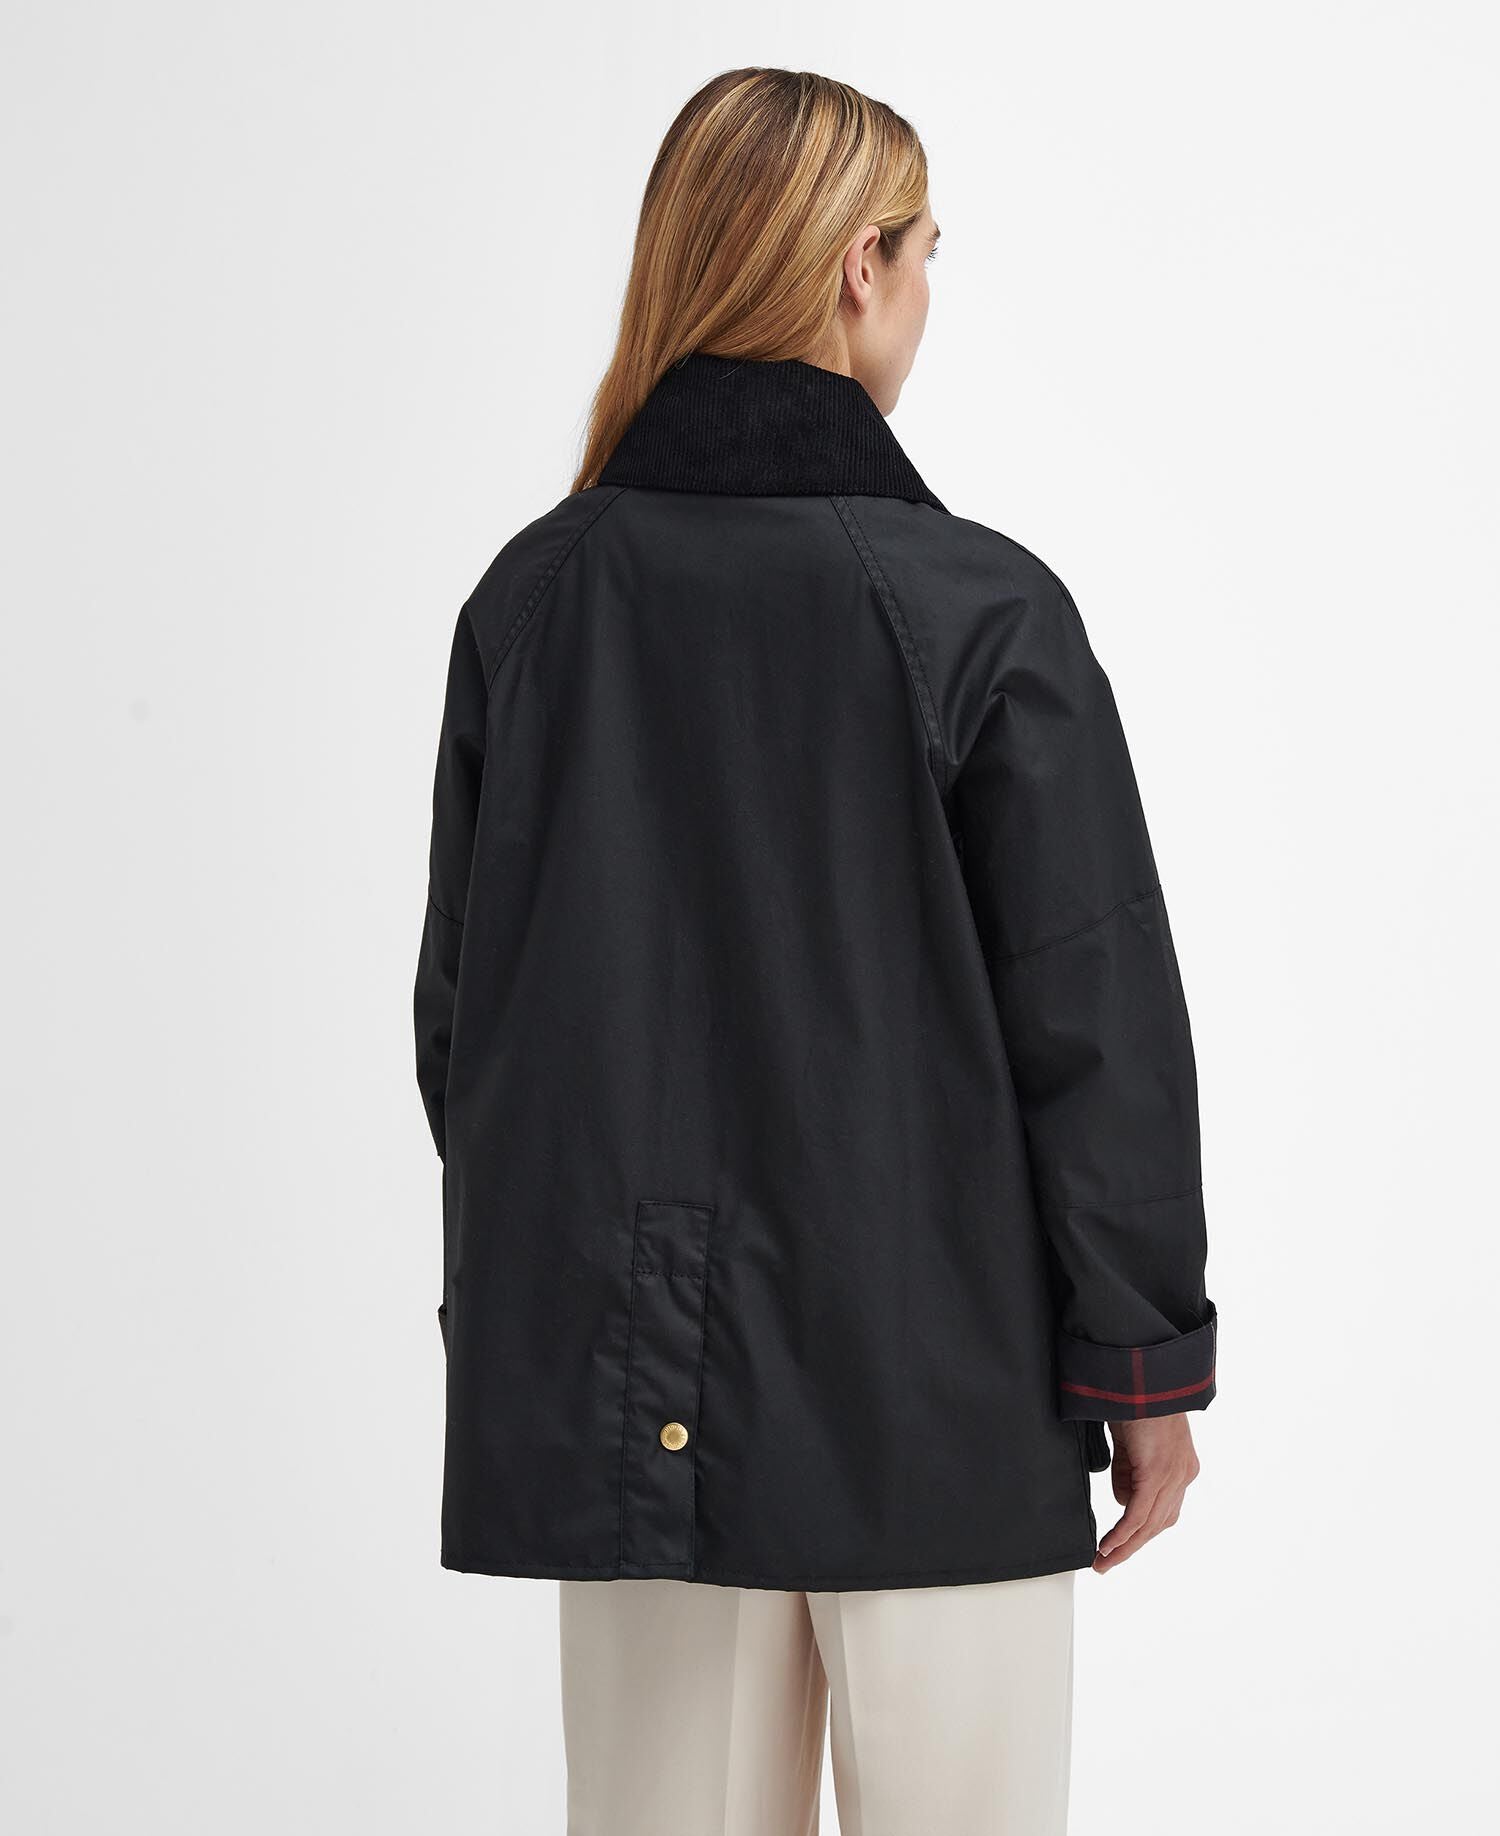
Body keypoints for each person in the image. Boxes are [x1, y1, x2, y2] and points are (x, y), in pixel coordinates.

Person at [413, 64, 1217, 1836]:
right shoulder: (978, 609)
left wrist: (568, 1323)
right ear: (861, 266)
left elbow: (465, 1040)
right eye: (926, 253)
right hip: (944, 1406)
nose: (927, 293)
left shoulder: (533, 602)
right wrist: (1144, 1369)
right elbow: (1094, 1020)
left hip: (639, 1424)